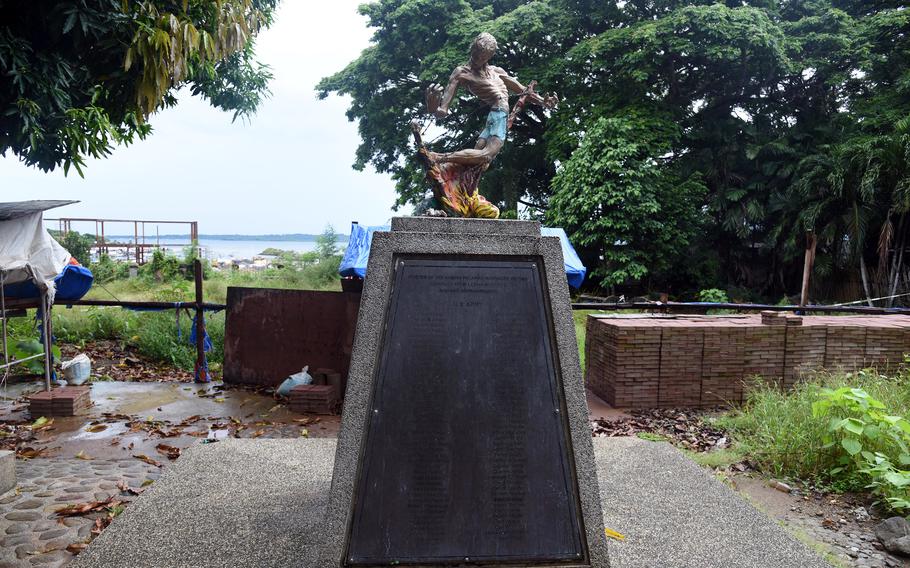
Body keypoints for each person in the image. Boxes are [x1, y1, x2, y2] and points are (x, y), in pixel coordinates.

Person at [425, 32, 551, 166]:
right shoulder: (462, 73)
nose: (477, 59)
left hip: (496, 115)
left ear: (489, 57)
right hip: (498, 114)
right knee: (487, 155)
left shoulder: (497, 71)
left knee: (479, 163)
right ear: (472, 48)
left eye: (482, 57)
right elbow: (442, 111)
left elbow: (524, 92)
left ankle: (455, 174)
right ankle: (437, 157)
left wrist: (543, 101)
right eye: (476, 53)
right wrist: (432, 108)